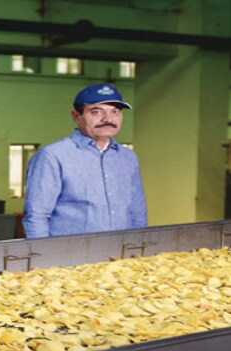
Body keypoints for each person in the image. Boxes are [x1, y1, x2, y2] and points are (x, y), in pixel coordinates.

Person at [23, 83, 147, 238]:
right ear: (76, 116)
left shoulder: (128, 157)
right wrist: (43, 258)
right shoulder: (52, 156)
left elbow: (137, 213)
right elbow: (36, 216)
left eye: (115, 112)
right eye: (96, 112)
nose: (108, 119)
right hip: (70, 257)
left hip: (121, 255)